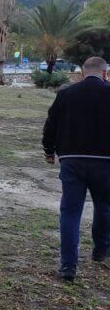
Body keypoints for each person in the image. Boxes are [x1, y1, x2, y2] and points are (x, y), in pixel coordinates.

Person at [42, 56, 110, 282]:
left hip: (72, 160)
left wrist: (49, 150)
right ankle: (101, 249)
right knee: (105, 207)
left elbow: (51, 124)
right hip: (105, 162)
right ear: (105, 73)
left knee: (70, 212)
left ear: (82, 73)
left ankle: (68, 266)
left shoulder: (66, 94)